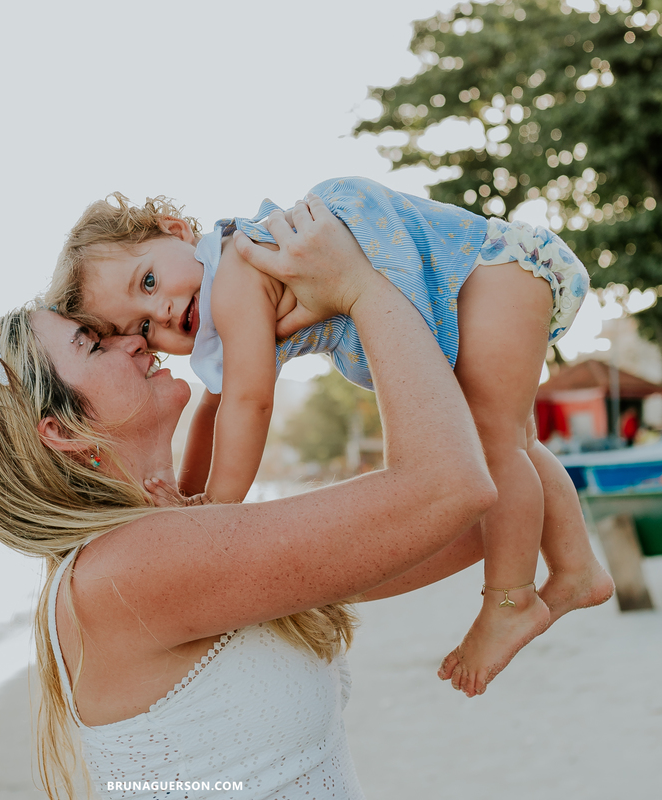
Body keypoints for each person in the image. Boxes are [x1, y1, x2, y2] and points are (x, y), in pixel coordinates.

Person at [45, 178, 612, 697]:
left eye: (148, 281)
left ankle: (508, 601)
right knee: (515, 441)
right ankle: (576, 568)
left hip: (484, 274)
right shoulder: (214, 309)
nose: (161, 311)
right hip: (484, 279)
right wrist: (189, 501)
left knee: (498, 442)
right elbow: (215, 409)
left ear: (176, 232)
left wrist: (216, 508)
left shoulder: (236, 275)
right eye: (141, 326)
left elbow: (249, 403)